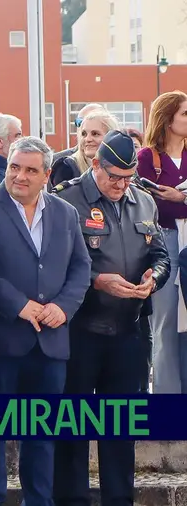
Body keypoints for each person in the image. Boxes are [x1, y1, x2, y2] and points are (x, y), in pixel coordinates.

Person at [0, 137, 91, 506]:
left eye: (30, 170)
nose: (19, 176)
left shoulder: (65, 212)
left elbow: (81, 267)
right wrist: (19, 305)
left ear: (47, 174)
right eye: (14, 167)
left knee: (42, 436)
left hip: (50, 341)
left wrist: (63, 307)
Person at [51, 129, 170, 506]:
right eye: (114, 177)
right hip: (80, 331)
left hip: (128, 332)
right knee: (72, 426)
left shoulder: (143, 201)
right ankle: (72, 499)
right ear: (96, 165)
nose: (121, 185)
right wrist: (96, 282)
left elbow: (161, 256)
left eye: (128, 177)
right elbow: (52, 267)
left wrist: (154, 278)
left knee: (120, 429)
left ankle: (119, 499)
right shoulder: (66, 199)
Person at [136, 91, 187, 394]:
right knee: (166, 325)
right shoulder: (147, 158)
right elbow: (150, 206)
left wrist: (181, 197)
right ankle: (169, 405)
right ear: (168, 119)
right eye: (185, 113)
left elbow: (173, 202)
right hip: (164, 241)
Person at [49, 110, 119, 188]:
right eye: (84, 134)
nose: (87, 139)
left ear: (112, 138)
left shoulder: (125, 167)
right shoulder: (66, 168)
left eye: (95, 134)